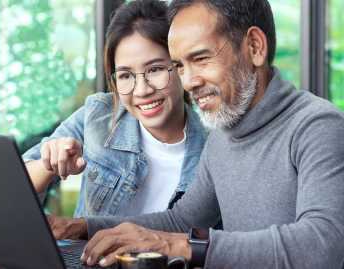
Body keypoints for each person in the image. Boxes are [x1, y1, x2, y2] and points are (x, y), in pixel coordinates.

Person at [60, 0, 344, 268]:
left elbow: (323, 245)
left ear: (255, 47)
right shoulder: (223, 135)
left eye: (201, 58)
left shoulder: (318, 126)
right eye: (180, 65)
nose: (188, 82)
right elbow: (182, 220)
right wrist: (82, 227)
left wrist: (182, 246)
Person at [22, 0, 207, 236]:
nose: (141, 90)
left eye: (155, 70)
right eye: (126, 75)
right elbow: (12, 187)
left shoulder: (212, 149)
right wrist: (49, 164)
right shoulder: (98, 116)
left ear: (180, 66)